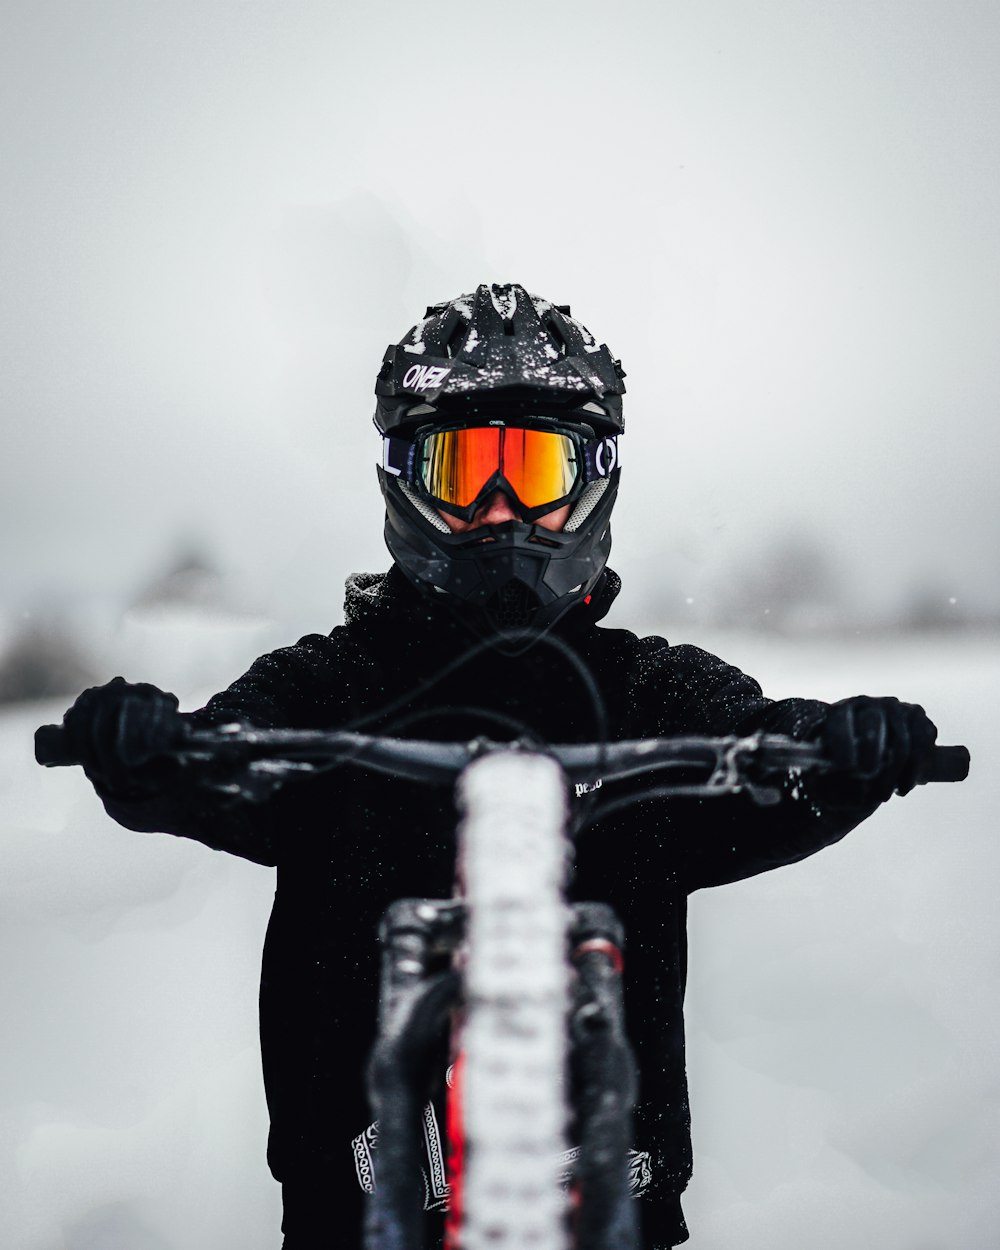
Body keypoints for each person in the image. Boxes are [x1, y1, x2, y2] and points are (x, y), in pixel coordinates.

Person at [52, 283, 940, 1249]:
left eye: (536, 470)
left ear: (594, 480)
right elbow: (218, 760)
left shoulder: (650, 687)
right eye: (466, 469)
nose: (501, 508)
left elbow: (766, 749)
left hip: (615, 1215)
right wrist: (144, 749)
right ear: (404, 477)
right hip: (345, 1218)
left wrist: (845, 751)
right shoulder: (329, 682)